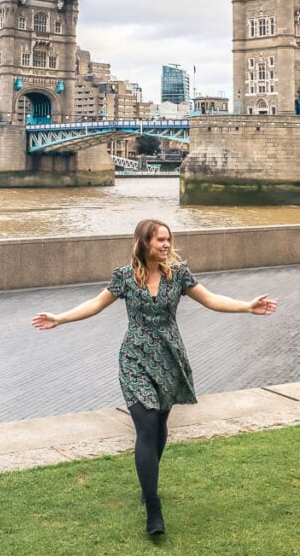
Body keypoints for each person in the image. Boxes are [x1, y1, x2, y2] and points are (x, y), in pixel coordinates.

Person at [32, 218, 277, 538]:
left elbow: (212, 299)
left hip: (169, 359)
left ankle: (148, 480)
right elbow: (96, 304)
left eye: (168, 239)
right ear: (143, 242)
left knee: (160, 425)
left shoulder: (179, 275)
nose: (166, 244)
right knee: (146, 424)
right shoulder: (124, 277)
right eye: (160, 239)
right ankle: (153, 505)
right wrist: (59, 319)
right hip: (134, 360)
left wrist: (247, 307)